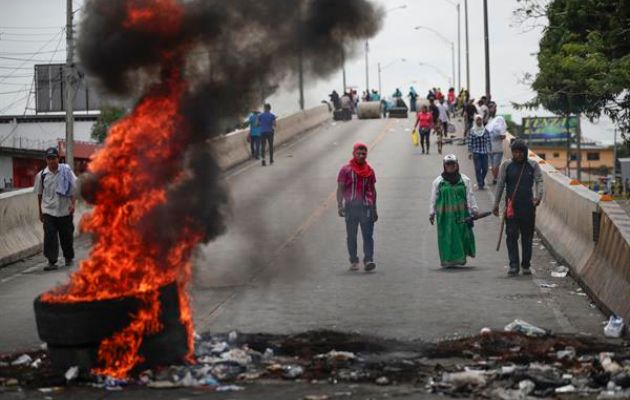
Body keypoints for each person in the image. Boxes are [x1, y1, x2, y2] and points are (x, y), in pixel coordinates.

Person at [493, 139, 544, 276]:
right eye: (515, 152)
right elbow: (500, 185)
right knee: (511, 235)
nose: (518, 155)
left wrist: (538, 197)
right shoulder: (506, 166)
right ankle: (514, 264)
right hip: (512, 208)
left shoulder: (533, 165)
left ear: (525, 152)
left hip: (528, 207)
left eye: (521, 152)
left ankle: (526, 265)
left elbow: (539, 180)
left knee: (527, 237)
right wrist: (496, 204)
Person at [430, 154, 478, 267]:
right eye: (448, 164)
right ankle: (448, 260)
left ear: (457, 165)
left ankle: (460, 258)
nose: (450, 166)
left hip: (462, 215)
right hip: (445, 216)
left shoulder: (465, 180)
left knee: (462, 236)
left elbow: (470, 196)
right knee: (447, 237)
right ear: (444, 166)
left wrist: (474, 210)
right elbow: (434, 199)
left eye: (453, 164)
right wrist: (431, 213)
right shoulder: (438, 182)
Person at [33, 147, 77, 271]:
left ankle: (68, 257)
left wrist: (73, 204)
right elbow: (39, 194)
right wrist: (40, 212)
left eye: (54, 158)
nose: (52, 161)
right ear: (46, 160)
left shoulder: (66, 172)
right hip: (49, 211)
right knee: (50, 237)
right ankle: (52, 261)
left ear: (58, 159)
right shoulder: (41, 176)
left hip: (64, 211)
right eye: (49, 158)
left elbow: (74, 189)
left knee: (66, 237)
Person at [337, 143, 378, 272]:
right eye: (358, 153)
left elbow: (373, 190)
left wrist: (374, 209)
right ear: (354, 153)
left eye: (363, 154)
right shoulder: (346, 170)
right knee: (352, 236)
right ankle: (354, 260)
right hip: (351, 207)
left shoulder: (370, 171)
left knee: (368, 236)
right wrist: (339, 205)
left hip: (366, 207)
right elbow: (340, 189)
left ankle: (368, 260)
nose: (361, 156)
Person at [485, 101, 507, 185]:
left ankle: (496, 178)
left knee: (495, 166)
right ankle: (495, 178)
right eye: (490, 108)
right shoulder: (487, 120)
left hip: (498, 149)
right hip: (489, 149)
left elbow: (503, 136)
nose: (492, 109)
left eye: (493, 108)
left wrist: (499, 134)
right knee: (492, 167)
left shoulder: (499, 120)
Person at [467, 114, 491, 190]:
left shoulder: (485, 130)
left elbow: (488, 141)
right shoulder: (472, 131)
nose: (479, 121)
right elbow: (470, 141)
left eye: (480, 120)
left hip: (484, 152)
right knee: (478, 169)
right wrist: (470, 152)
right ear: (475, 121)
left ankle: (481, 181)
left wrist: (489, 150)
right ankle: (480, 184)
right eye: (477, 120)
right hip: (476, 152)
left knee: (485, 169)